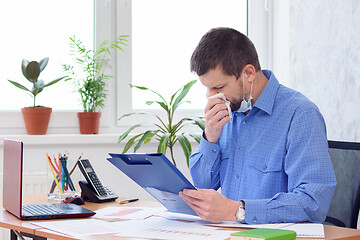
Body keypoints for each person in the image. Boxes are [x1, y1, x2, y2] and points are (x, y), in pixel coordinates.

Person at [179, 27, 336, 224]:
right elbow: (203, 185)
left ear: (249, 73)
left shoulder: (300, 114)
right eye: (207, 88)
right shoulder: (226, 113)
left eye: (218, 87)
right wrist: (210, 137)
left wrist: (237, 210)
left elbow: (314, 203)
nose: (211, 96)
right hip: (226, 234)